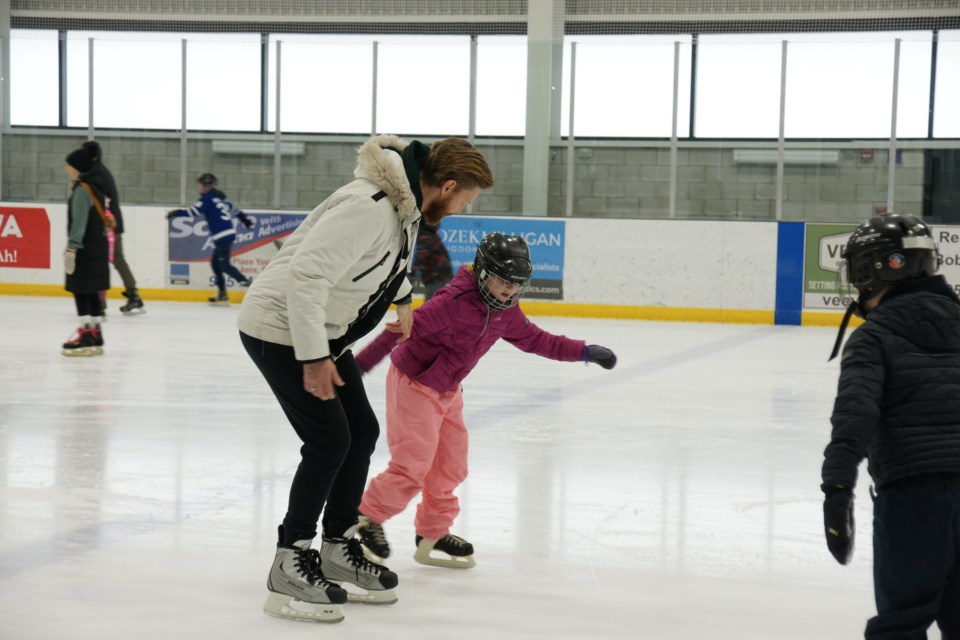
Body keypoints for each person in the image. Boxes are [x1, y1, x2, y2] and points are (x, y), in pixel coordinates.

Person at [236, 135, 494, 623]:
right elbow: (307, 277)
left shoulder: (405, 206)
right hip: (280, 329)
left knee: (363, 434)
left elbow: (388, 263)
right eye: (466, 199)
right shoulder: (369, 206)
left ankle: (336, 545)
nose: (461, 208)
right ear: (449, 185)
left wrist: (401, 302)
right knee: (330, 441)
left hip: (323, 334)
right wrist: (313, 357)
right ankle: (291, 558)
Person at [354, 233, 617, 569]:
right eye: (502, 280)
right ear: (482, 273)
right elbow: (401, 329)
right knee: (413, 464)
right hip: (414, 384)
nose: (509, 289)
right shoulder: (451, 302)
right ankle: (365, 518)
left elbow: (538, 340)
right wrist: (358, 367)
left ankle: (432, 532)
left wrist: (583, 351)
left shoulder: (505, 311)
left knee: (451, 465)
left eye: (516, 283)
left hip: (449, 389)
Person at [821, 212, 960, 639]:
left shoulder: (873, 336)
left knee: (903, 620)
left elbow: (855, 416)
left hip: (913, 497)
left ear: (869, 272)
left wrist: (837, 489)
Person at [353, 219, 454, 373]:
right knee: (428, 314)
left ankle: (423, 342)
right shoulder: (430, 233)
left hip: (436, 277)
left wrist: (413, 273)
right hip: (438, 275)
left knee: (425, 316)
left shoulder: (425, 235)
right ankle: (425, 340)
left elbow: (422, 254)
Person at [167, 173, 254, 305]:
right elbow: (235, 210)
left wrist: (176, 213)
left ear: (206, 185)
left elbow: (192, 213)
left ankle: (245, 282)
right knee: (215, 264)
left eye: (201, 184)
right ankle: (222, 294)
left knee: (224, 265)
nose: (199, 187)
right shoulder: (221, 199)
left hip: (223, 236)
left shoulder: (207, 199)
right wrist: (245, 220)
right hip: (226, 235)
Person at [61, 147, 113, 356]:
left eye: (69, 165)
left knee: (80, 289)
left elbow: (79, 222)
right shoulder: (97, 187)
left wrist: (72, 248)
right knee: (91, 290)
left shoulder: (83, 190)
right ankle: (95, 332)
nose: (66, 169)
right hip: (97, 246)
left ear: (77, 168)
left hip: (84, 248)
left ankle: (85, 334)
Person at [82, 141, 145, 315]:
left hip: (107, 224)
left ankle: (102, 302)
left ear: (92, 156)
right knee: (116, 259)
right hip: (110, 223)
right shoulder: (98, 171)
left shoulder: (96, 174)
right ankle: (132, 296)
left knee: (103, 261)